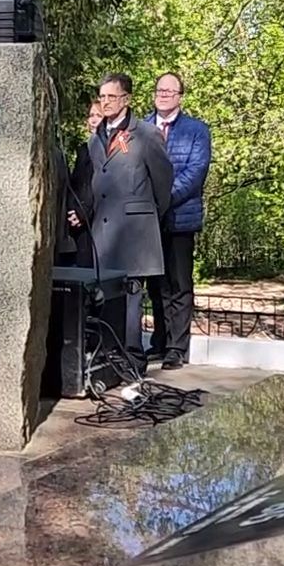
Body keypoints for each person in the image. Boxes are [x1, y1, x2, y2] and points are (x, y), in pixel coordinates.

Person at [69, 73, 174, 364]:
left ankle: (132, 358)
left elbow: (163, 185)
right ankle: (107, 356)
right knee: (105, 297)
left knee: (131, 298)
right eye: (101, 97)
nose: (105, 103)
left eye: (111, 97)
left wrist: (147, 215)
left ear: (126, 99)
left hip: (134, 230)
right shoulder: (95, 138)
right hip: (103, 231)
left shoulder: (146, 135)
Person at [146, 73, 210, 369]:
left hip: (180, 217)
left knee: (179, 284)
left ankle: (177, 348)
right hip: (147, 221)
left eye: (170, 91)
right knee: (155, 284)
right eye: (160, 90)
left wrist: (164, 196)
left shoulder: (196, 130)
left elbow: (195, 173)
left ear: (180, 96)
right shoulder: (141, 128)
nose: (164, 95)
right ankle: (159, 342)